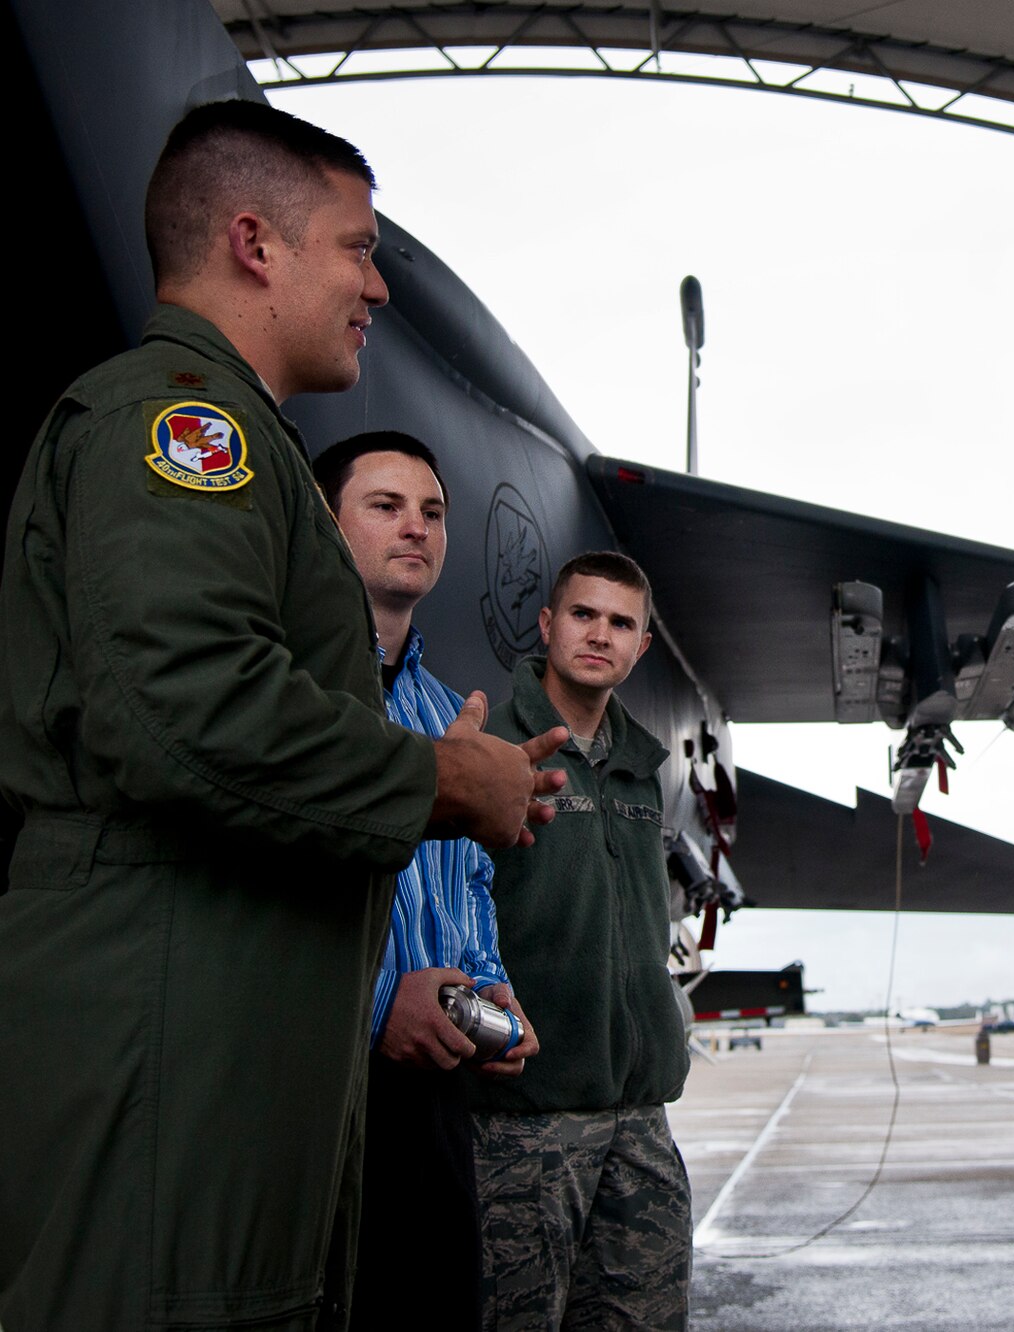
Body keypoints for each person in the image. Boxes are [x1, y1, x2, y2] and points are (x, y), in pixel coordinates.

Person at [0, 100, 564, 1332]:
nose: (375, 284)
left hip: (224, 1040)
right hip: (170, 1042)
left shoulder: (246, 448)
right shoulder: (184, 431)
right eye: (356, 248)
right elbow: (187, 709)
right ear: (257, 244)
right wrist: (438, 784)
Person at [314, 430, 547, 1330]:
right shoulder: (298, 693)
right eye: (385, 506)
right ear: (329, 528)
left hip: (439, 1099)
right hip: (327, 1088)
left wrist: (490, 983)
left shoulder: (450, 714)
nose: (416, 527)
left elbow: (467, 882)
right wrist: (380, 1005)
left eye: (433, 513)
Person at [468, 551, 693, 1331]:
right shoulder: (493, 749)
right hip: (528, 1122)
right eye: (584, 615)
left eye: (621, 623)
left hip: (640, 1118)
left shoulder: (639, 771)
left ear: (642, 648)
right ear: (548, 624)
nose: (600, 635)